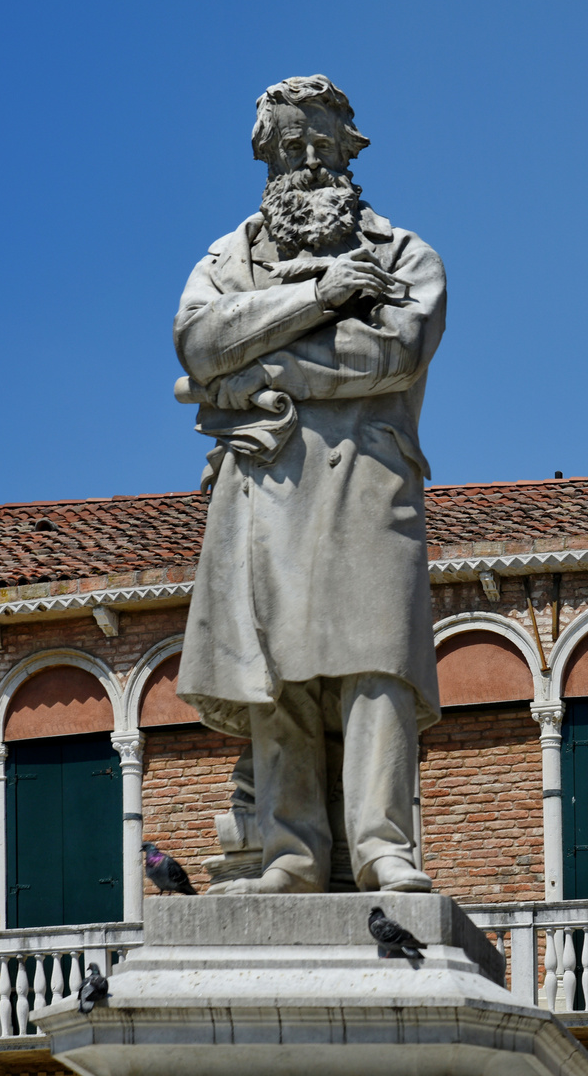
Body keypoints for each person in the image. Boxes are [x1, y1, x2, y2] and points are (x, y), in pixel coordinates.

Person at [172, 75, 445, 894]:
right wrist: (319, 298)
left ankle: (380, 846)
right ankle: (291, 854)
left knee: (375, 665)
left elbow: (385, 355)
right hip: (266, 487)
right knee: (278, 670)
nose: (309, 160)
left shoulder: (404, 255)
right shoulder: (229, 257)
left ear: (350, 151)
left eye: (323, 143)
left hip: (367, 480)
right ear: (267, 155)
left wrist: (243, 375)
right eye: (292, 145)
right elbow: (195, 341)